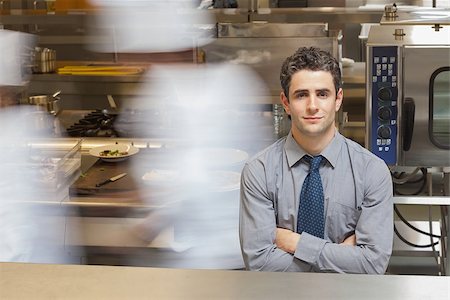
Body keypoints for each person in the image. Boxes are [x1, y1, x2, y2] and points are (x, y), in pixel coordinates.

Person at [239, 47, 393, 274]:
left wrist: (294, 243)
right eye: (301, 95)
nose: (312, 105)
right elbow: (260, 262)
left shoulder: (371, 171)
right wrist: (342, 255)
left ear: (338, 99)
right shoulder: (259, 171)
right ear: (285, 102)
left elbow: (371, 264)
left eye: (322, 94)